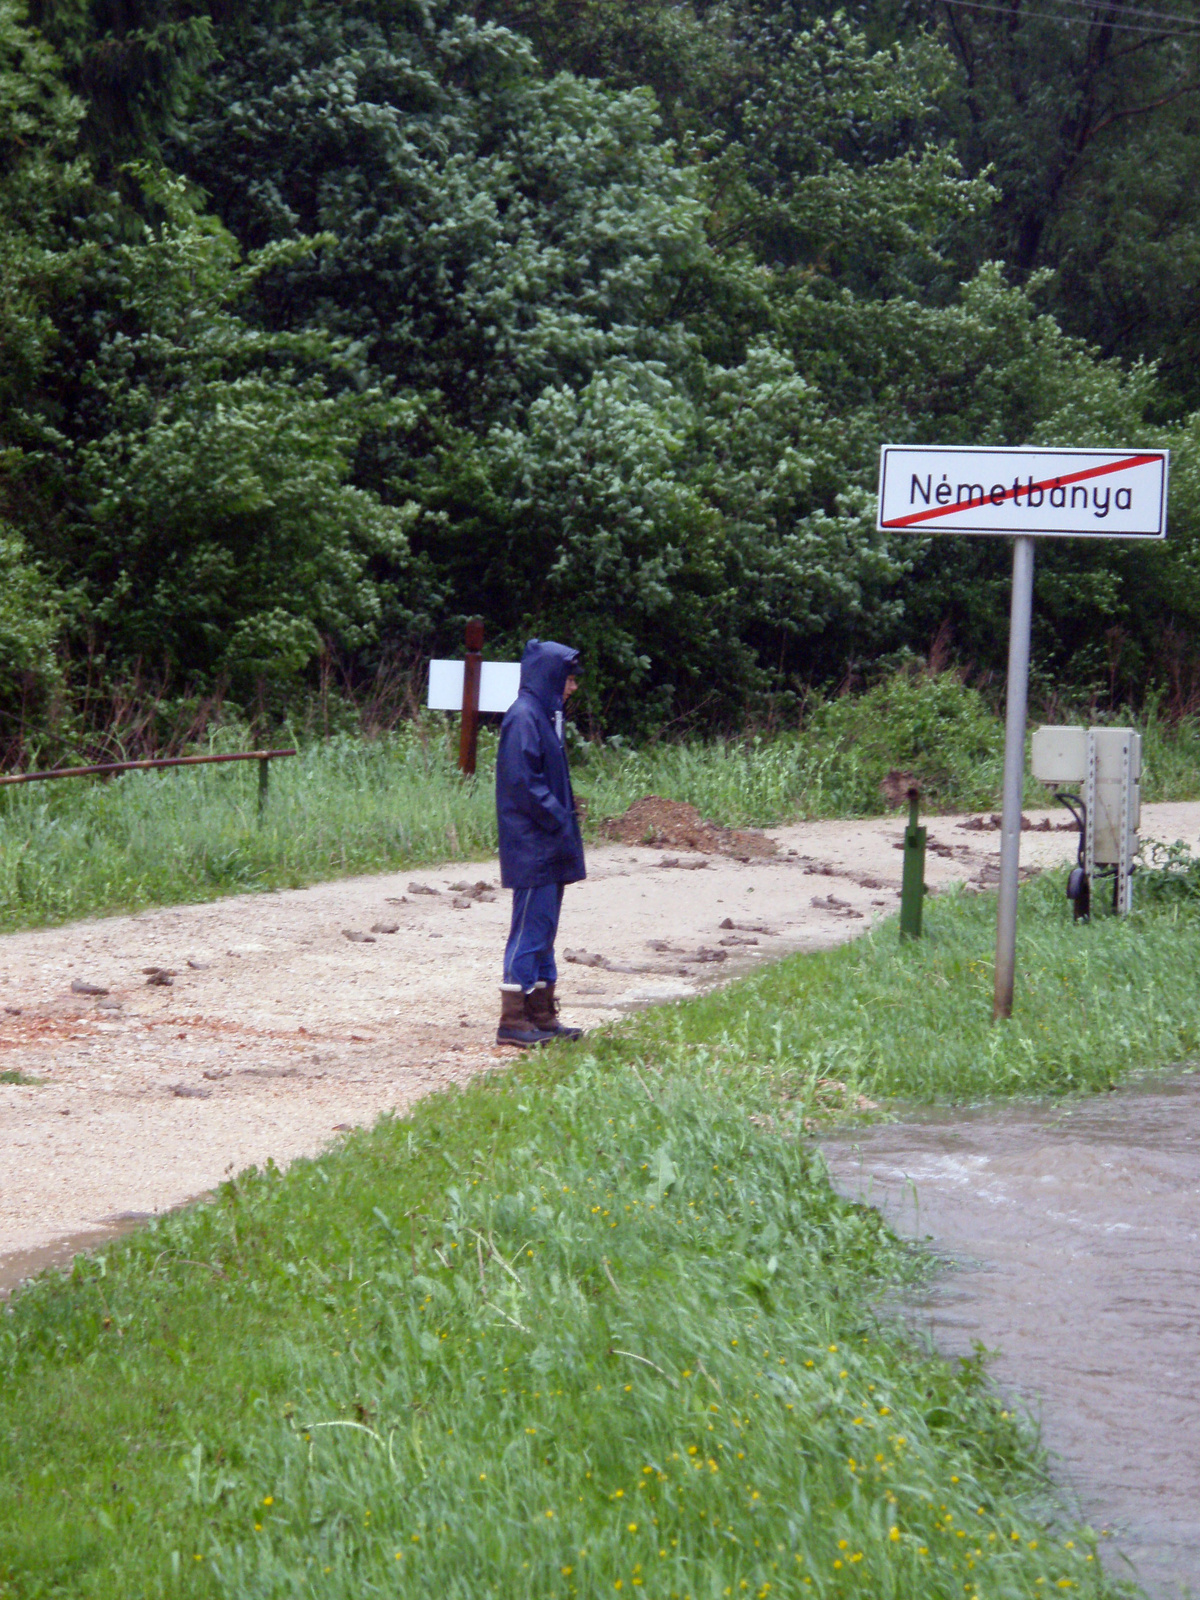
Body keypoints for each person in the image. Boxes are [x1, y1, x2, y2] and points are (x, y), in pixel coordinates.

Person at [495, 638, 586, 1047]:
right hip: (533, 846)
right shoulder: (524, 717)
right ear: (551, 676)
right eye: (568, 678)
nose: (572, 687)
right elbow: (522, 783)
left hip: (549, 846)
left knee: (544, 931)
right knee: (529, 931)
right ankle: (513, 1020)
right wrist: (558, 816)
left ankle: (542, 1014)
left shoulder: (544, 716)